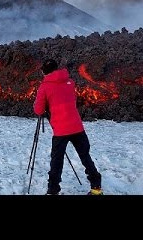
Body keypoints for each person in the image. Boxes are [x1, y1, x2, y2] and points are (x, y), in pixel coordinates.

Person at [33, 58, 103, 195]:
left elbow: (39, 110)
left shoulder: (44, 87)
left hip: (61, 130)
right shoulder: (70, 82)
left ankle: (53, 190)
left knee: (57, 161)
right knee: (85, 156)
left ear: (44, 72)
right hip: (77, 126)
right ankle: (96, 188)